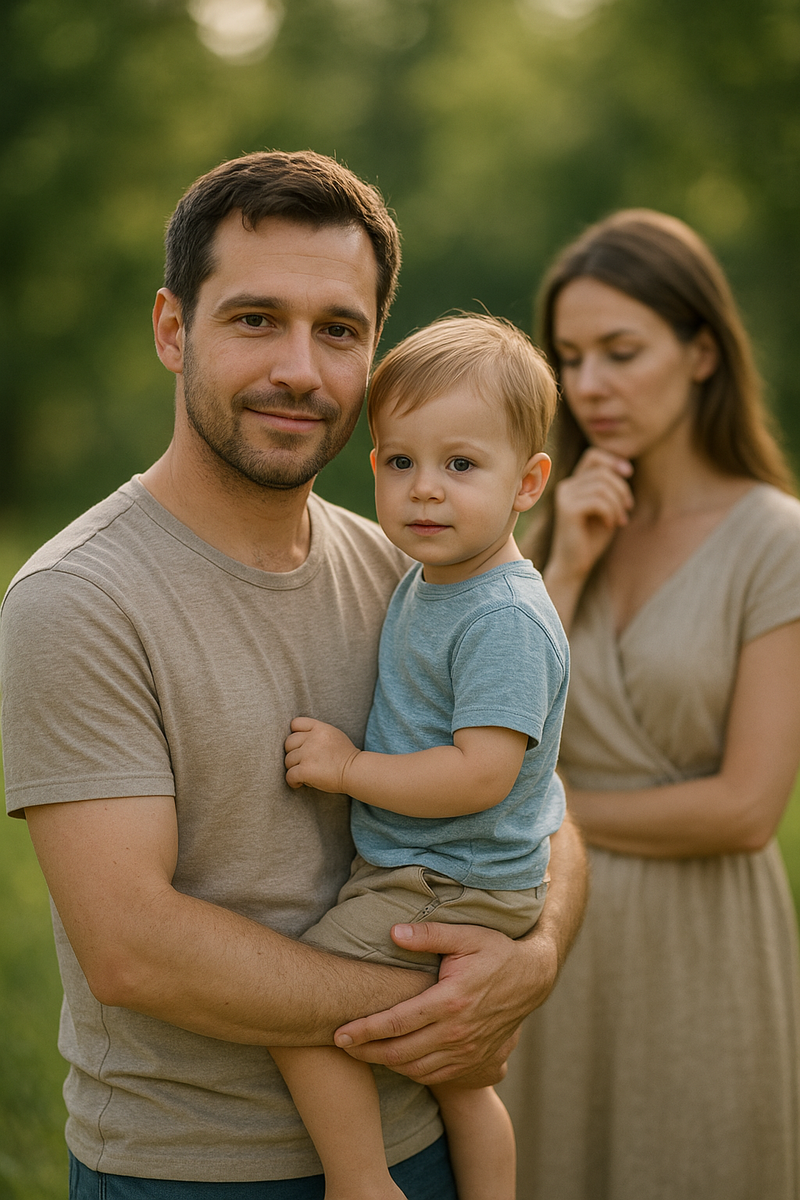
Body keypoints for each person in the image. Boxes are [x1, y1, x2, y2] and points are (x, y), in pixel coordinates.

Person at [0, 150, 587, 1198]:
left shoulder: (412, 572)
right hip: (191, 1171)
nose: (301, 371)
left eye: (339, 331)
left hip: (424, 1145)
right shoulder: (79, 599)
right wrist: (436, 1005)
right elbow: (132, 949)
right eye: (255, 319)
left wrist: (533, 959)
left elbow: (537, 794)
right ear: (173, 329)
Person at [499, 208, 800, 1200]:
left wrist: (539, 813)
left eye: (621, 353)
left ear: (701, 352)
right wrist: (566, 569)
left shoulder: (777, 543)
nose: (589, 384)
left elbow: (744, 808)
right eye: (571, 357)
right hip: (546, 940)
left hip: (702, 947)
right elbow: (483, 719)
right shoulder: (549, 529)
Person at [274, 314, 568, 1200]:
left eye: (461, 465)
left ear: (528, 482)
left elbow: (483, 773)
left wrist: (347, 769)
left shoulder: (501, 617)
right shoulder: (433, 578)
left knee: (295, 1011)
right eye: (401, 462)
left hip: (449, 878)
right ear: (373, 467)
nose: (425, 490)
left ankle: (361, 1184)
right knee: (460, 1079)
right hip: (451, 871)